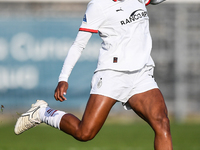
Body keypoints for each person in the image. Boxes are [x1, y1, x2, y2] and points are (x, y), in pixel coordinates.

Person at [15, 0, 173, 149]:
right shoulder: (98, 5)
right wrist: (63, 78)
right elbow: (78, 45)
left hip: (141, 75)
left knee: (162, 123)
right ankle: (43, 112)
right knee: (84, 133)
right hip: (112, 74)